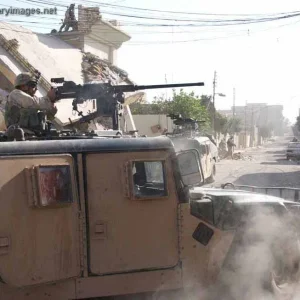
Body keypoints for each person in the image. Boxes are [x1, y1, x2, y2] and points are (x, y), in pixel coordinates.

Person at [5, 72, 57, 137]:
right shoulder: (15, 94)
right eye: (33, 85)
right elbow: (34, 103)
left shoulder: (33, 98)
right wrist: (49, 98)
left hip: (33, 135)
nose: (36, 89)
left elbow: (46, 117)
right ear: (23, 86)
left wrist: (52, 103)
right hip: (19, 134)